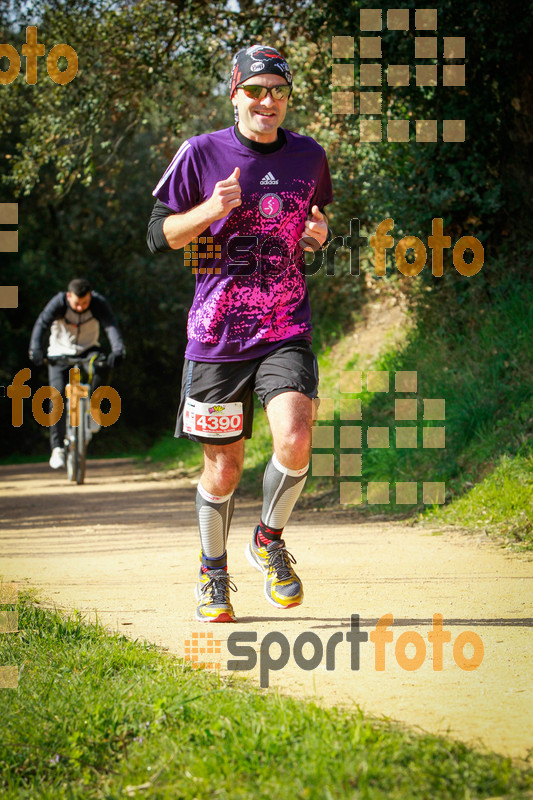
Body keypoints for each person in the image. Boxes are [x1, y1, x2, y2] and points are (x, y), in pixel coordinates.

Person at [147, 44, 333, 622]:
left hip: (285, 325)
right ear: (235, 95)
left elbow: (310, 242)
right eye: (255, 90)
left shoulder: (309, 157)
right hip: (217, 336)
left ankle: (269, 540)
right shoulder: (201, 154)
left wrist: (318, 243)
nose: (267, 101)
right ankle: (213, 571)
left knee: (296, 436)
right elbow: (159, 236)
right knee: (223, 468)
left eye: (277, 90)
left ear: (288, 97)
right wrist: (208, 209)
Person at [29, 277, 125, 469]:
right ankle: (57, 448)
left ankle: (93, 411)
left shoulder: (98, 303)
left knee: (104, 365)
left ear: (90, 297)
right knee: (55, 397)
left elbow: (110, 325)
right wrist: (35, 349)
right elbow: (42, 324)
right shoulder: (58, 303)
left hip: (88, 350)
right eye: (76, 303)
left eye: (85, 303)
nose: (80, 307)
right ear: (68, 296)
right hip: (59, 353)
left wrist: (119, 349)